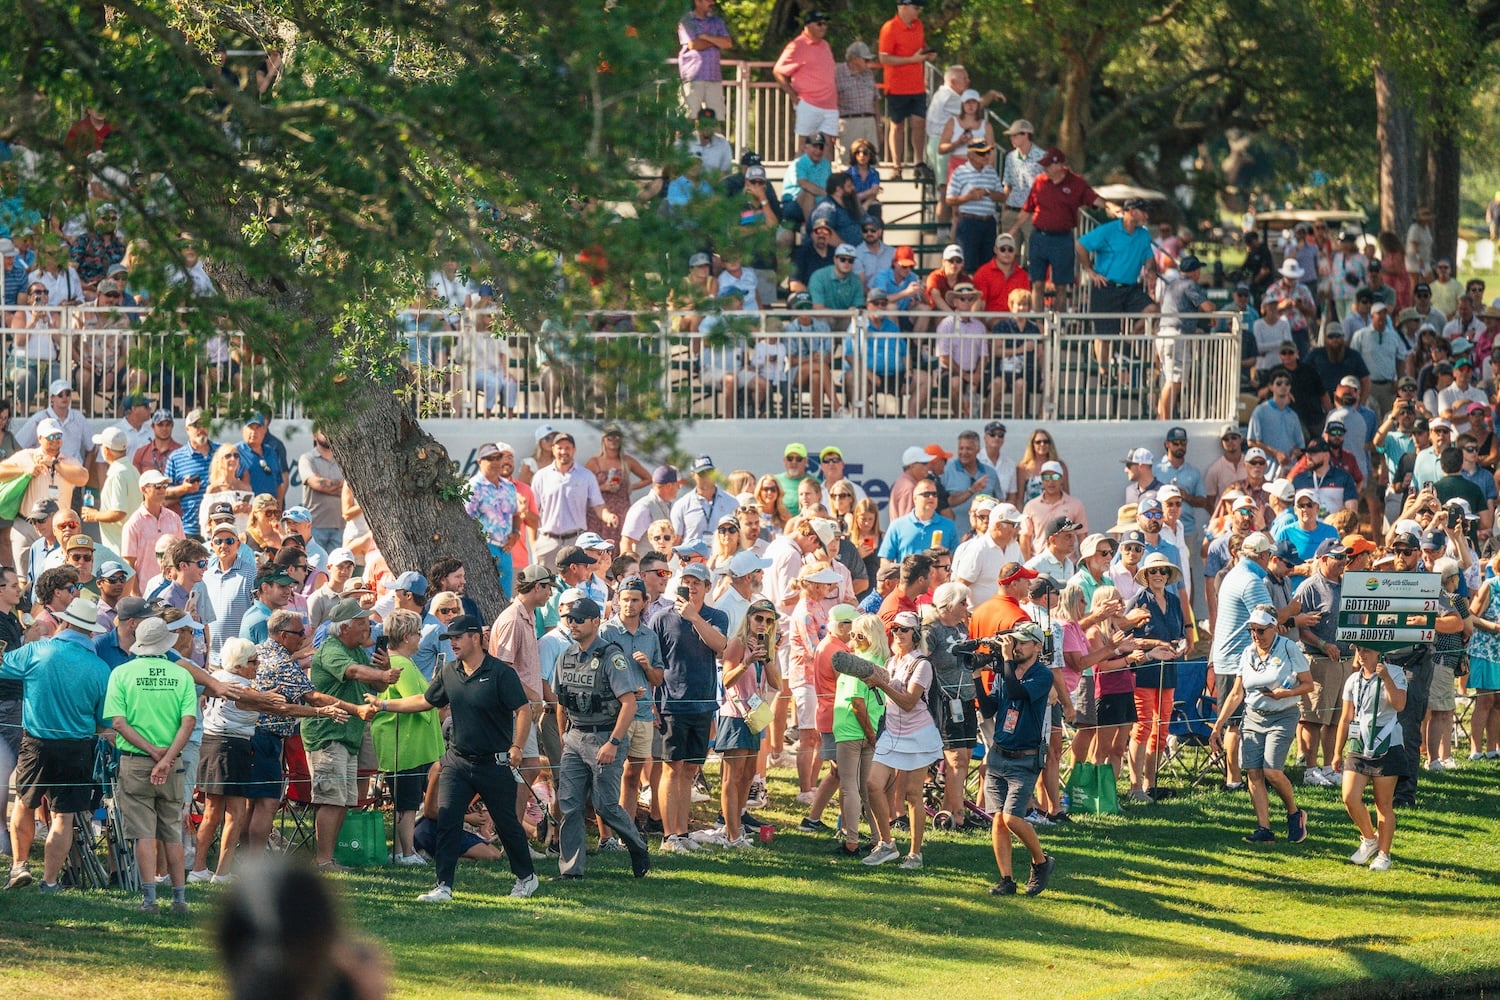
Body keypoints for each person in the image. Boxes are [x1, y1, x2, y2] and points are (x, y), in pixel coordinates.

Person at [369, 613, 540, 901]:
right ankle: (443, 885)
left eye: (458, 638)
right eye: (450, 639)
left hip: (494, 761)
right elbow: (425, 700)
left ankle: (526, 877)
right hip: (457, 761)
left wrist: (518, 747)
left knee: (507, 823)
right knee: (446, 819)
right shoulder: (450, 671)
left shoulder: (500, 673)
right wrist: (385, 704)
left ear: (476, 637)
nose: (453, 644)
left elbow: (523, 710)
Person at [1, 597, 111, 892]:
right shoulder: (100, 669)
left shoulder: (37, 650)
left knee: (25, 804)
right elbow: (104, 720)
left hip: (36, 742)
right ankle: (49, 881)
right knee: (64, 815)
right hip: (76, 746)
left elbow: (2, 667)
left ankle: (19, 866)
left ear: (63, 622)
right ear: (91, 632)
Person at [104, 616, 199, 913]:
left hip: (135, 762)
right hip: (173, 764)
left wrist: (151, 751)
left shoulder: (121, 673)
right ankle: (179, 899)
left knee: (143, 833)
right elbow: (189, 721)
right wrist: (168, 757)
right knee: (171, 830)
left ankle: (149, 899)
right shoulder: (181, 674)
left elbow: (118, 722)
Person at [553, 596, 652, 879]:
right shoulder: (566, 657)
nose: (573, 624)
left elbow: (629, 703)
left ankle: (636, 845)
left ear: (596, 622)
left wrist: (614, 742)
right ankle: (571, 870)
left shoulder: (612, 657)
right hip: (575, 737)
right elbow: (562, 701)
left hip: (605, 736)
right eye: (570, 619)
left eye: (579, 619)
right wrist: (564, 734)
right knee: (569, 805)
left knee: (605, 806)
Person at [303, 598, 398, 871]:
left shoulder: (356, 650)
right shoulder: (332, 650)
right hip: (328, 734)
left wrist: (383, 669)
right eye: (361, 622)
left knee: (343, 799)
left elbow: (374, 686)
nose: (368, 626)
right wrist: (383, 674)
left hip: (348, 734)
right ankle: (322, 860)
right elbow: (354, 672)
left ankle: (329, 858)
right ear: (344, 627)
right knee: (331, 798)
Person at [1209, 605, 1313, 845]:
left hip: (1283, 714)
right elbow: (1237, 693)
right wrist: (1218, 726)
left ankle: (1294, 813)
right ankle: (1264, 828)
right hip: (1253, 716)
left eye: (1261, 630)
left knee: (1272, 771)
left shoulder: (1288, 648)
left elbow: (1308, 684)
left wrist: (1286, 693)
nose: (1256, 635)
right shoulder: (1247, 653)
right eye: (1252, 630)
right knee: (1253, 772)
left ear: (1274, 627)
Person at [653, 562, 728, 852]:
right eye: (686, 582)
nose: (692, 587)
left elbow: (719, 646)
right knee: (671, 769)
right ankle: (668, 835)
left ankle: (682, 833)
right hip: (671, 703)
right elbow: (654, 661)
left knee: (689, 771)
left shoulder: (715, 616)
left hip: (703, 704)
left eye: (697, 583)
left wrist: (695, 618)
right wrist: (652, 703)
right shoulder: (661, 619)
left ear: (707, 587)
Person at [977, 620, 1056, 896]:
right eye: (1013, 642)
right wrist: (977, 678)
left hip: (1025, 758)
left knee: (1012, 818)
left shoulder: (1042, 675)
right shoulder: (1004, 672)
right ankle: (1006, 880)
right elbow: (988, 709)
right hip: (999, 753)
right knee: (998, 819)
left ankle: (1042, 861)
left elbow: (1017, 692)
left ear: (1037, 646)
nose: (1015, 646)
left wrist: (1007, 660)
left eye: (1021, 642)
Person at [861, 610, 941, 869]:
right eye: (894, 629)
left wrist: (881, 684)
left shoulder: (923, 664)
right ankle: (887, 844)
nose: (897, 633)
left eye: (903, 629)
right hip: (893, 733)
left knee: (912, 794)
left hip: (918, 735)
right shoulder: (893, 661)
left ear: (915, 634)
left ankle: (915, 854)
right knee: (872, 784)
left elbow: (908, 702)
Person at [367, 609, 444, 866]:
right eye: (418, 632)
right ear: (408, 636)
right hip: (404, 744)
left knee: (407, 801)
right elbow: (419, 700)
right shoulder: (400, 664)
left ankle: (401, 851)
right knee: (407, 803)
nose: (420, 637)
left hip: (412, 742)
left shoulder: (404, 663)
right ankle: (407, 852)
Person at [1334, 644, 1409, 871]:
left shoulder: (1395, 672)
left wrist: (1385, 677)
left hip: (1387, 743)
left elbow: (1399, 704)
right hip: (1359, 743)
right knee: (1349, 796)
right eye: (1359, 650)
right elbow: (1346, 717)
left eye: (1366, 650)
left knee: (1383, 803)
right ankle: (1369, 838)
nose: (1361, 654)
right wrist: (1337, 752)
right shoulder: (1353, 680)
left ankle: (1384, 854)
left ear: (1379, 652)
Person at [715, 599, 781, 846]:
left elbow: (777, 684)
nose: (763, 624)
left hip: (754, 716)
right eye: (759, 619)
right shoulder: (737, 644)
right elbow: (726, 681)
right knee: (732, 777)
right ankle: (731, 832)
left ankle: (738, 826)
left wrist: (767, 657)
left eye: (768, 620)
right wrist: (747, 662)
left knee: (747, 775)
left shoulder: (766, 647)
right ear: (749, 618)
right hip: (734, 715)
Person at [531, 430, 617, 569]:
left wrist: (608, 516)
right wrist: (534, 542)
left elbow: (598, 505)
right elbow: (532, 511)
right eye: (560, 448)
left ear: (574, 450)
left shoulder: (586, 476)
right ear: (553, 449)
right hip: (548, 541)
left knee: (576, 585)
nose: (563, 451)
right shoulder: (541, 476)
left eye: (567, 448)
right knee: (545, 585)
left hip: (575, 541)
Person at [773, 10, 839, 147]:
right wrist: (793, 96)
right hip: (809, 103)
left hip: (830, 105)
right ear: (807, 25)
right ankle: (801, 169)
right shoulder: (797, 45)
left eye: (825, 24)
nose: (823, 27)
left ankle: (824, 170)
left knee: (827, 147)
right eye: (819, 24)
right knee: (805, 146)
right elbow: (778, 71)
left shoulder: (825, 45)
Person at [677, 0, 733, 118]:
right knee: (687, 118)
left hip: (714, 77)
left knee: (717, 118)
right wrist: (717, 41)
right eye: (708, 0)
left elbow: (727, 43)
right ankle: (685, 138)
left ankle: (713, 137)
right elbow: (694, 45)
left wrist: (706, 37)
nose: (712, 2)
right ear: (698, 2)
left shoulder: (717, 21)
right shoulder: (686, 21)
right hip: (693, 77)